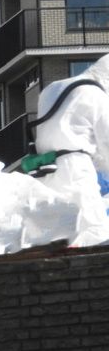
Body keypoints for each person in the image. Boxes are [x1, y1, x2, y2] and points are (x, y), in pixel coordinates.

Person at [34, 53, 109, 247]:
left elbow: (64, 128)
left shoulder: (51, 89)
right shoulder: (94, 95)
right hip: (76, 170)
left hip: (44, 169)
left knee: (56, 229)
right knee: (91, 229)